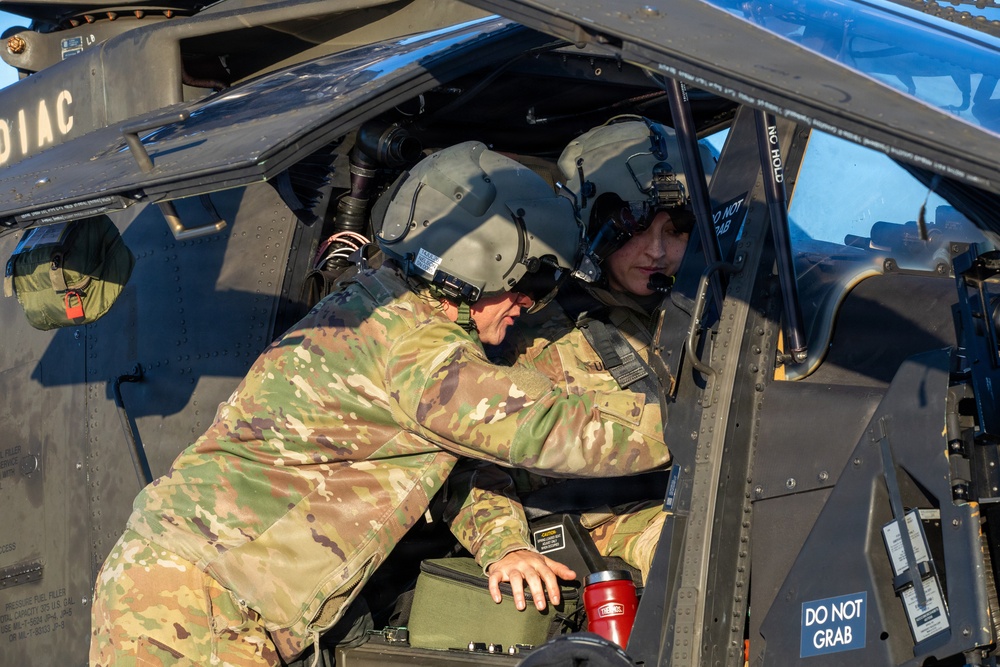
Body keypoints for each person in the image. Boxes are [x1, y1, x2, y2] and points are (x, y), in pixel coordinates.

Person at [88, 140, 673, 667]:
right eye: (531, 282)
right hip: (197, 608)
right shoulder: (416, 354)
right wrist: (706, 423)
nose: (529, 304)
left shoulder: (384, 308)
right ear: (480, 268)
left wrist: (503, 546)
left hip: (209, 597)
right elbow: (552, 430)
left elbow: (459, 463)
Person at [445, 118, 714, 611]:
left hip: (707, 499)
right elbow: (464, 460)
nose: (657, 251)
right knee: (703, 564)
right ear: (595, 225)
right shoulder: (525, 332)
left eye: (676, 232)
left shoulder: (713, 319)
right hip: (605, 524)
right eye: (634, 228)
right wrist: (506, 545)